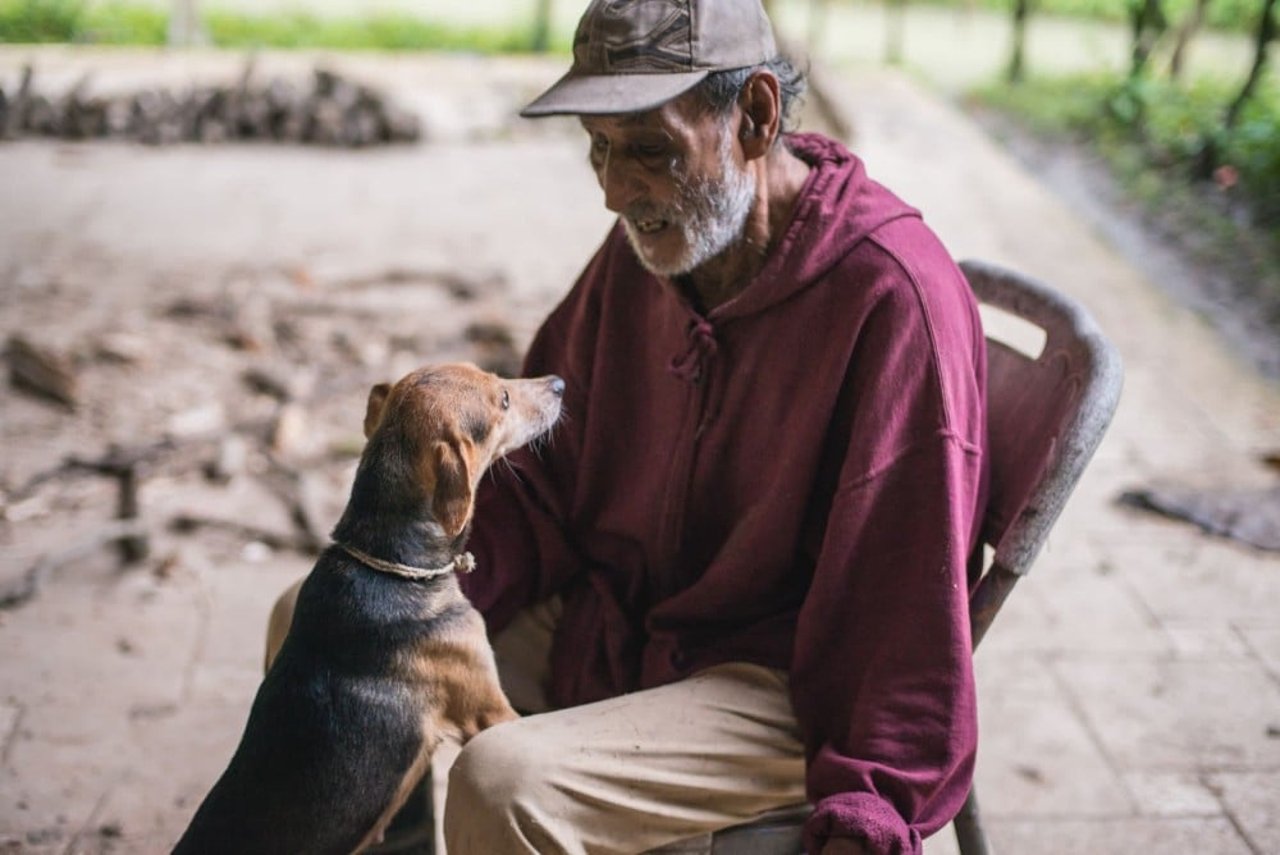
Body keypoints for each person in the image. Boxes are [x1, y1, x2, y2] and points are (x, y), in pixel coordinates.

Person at [260, 0, 987, 852]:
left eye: (648, 149)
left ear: (754, 115)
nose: (612, 191)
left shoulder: (893, 301)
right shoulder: (663, 242)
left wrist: (871, 799)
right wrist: (414, 582)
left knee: (504, 785)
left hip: (778, 683)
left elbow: (901, 621)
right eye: (598, 148)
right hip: (624, 620)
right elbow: (541, 486)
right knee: (315, 620)